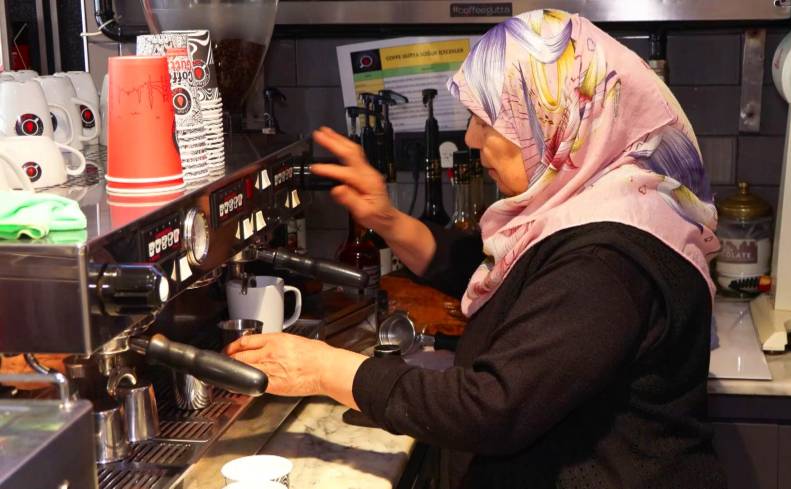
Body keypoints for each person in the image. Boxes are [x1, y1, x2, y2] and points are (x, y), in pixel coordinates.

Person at [227, 9, 725, 488]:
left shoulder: (608, 261)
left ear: (551, 118)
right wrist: (385, 218)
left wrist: (325, 369)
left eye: (487, 121)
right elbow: (501, 271)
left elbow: (491, 408)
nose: (470, 138)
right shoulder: (596, 205)